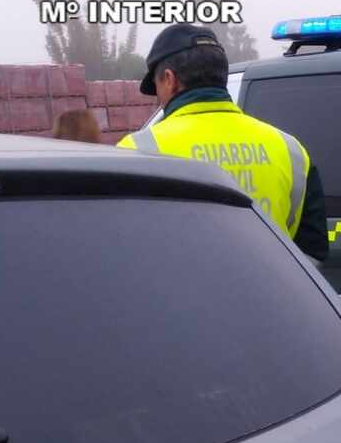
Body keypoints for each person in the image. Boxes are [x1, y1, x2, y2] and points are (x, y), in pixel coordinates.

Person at [118, 23, 328, 263]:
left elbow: (124, 250)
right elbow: (313, 254)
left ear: (169, 79)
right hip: (270, 297)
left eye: (156, 87)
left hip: (179, 297)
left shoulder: (136, 151)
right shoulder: (290, 150)